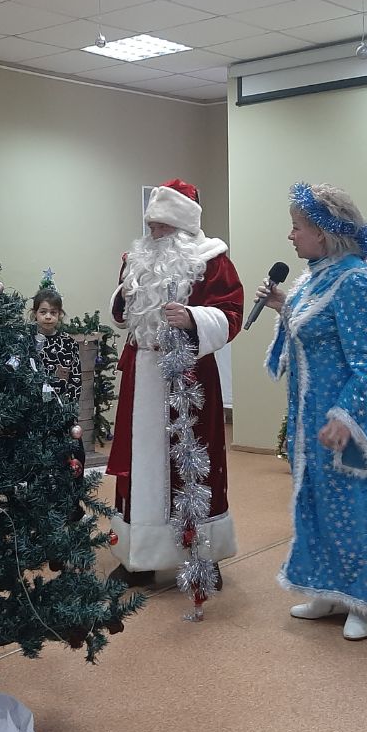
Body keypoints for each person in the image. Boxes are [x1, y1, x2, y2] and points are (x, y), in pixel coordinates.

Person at [261, 182, 367, 640]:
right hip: (310, 420)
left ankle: (365, 601)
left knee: (355, 508)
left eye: (297, 227)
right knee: (317, 503)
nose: (291, 235)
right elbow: (314, 332)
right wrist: (283, 307)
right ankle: (326, 588)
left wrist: (345, 416)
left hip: (344, 422)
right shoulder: (314, 276)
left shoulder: (355, 280)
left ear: (323, 232)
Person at [105, 179, 244, 586]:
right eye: (152, 225)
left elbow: (231, 313)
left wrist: (194, 318)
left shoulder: (212, 259)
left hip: (189, 376)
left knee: (194, 464)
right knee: (139, 465)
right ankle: (139, 557)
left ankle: (203, 554)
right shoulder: (135, 259)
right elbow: (122, 314)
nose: (154, 233)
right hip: (142, 375)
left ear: (183, 226)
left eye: (163, 226)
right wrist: (122, 299)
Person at [31, 288, 81, 405]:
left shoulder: (69, 343)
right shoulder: (28, 341)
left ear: (60, 314)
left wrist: (71, 406)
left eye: (53, 312)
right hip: (32, 406)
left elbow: (76, 378)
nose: (48, 317)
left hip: (61, 406)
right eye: (43, 312)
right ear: (35, 314)